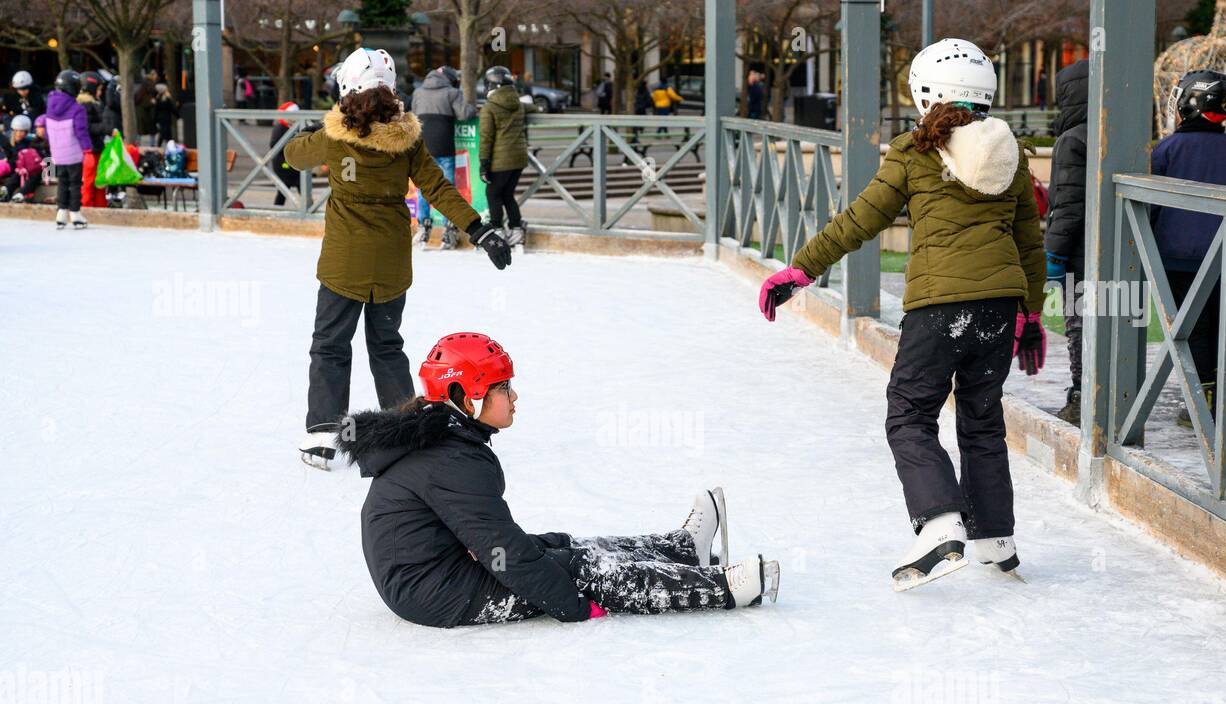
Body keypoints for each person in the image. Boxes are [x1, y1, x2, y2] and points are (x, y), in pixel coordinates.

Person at [758, 38, 1045, 590]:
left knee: (909, 412)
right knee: (982, 420)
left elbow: (860, 220)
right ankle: (994, 537)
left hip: (940, 307)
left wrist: (799, 270)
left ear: (926, 93)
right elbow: (1029, 243)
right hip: (998, 308)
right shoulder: (1010, 151)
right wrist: (1030, 315)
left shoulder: (914, 151)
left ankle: (940, 525)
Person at [335, 332, 780, 627]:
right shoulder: (451, 458)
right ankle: (722, 589)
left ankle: (681, 549)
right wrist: (570, 604)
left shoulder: (440, 432)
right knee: (582, 571)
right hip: (432, 591)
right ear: (465, 396)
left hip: (436, 568)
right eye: (502, 387)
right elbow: (501, 552)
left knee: (559, 547)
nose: (514, 396)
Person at [282, 47, 513, 470]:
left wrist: (328, 123)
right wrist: (479, 230)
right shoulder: (408, 141)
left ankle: (324, 435)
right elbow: (438, 189)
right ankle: (404, 431)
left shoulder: (333, 138)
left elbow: (292, 155)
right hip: (390, 265)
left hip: (343, 265)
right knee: (387, 347)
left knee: (330, 346)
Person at [1150, 70, 1226, 428]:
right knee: (1222, 327)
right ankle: (1220, 399)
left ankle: (1200, 401)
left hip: (1179, 258)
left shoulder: (1167, 149)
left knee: (1192, 330)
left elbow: (1149, 207)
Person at [1043, 58, 1088, 426]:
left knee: (1079, 325)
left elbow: (1068, 204)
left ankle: (1082, 394)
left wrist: (1053, 252)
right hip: (1119, 253)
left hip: (1079, 255)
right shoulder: (1116, 132)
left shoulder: (1072, 140)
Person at [410, 65, 476, 250]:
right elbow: (465, 114)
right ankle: (449, 231)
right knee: (447, 191)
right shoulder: (452, 93)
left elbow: (413, 117)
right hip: (445, 147)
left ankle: (423, 229)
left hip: (423, 148)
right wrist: (471, 105)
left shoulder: (418, 92)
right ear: (450, 79)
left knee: (424, 189)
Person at [479, 65, 528, 250]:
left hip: (501, 160)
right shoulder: (518, 103)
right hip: (519, 158)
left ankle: (497, 229)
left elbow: (486, 138)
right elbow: (532, 107)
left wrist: (484, 164)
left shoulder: (489, 108)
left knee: (492, 193)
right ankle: (517, 229)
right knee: (507, 194)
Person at [44, 70, 94, 229]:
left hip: (57, 154)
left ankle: (61, 213)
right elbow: (81, 132)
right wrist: (88, 150)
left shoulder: (50, 107)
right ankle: (75, 213)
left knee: (62, 183)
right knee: (75, 184)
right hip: (73, 154)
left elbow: (47, 132)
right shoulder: (77, 109)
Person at [78, 72, 110, 210]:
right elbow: (86, 127)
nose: (100, 92)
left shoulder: (95, 104)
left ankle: (100, 208)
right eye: (99, 89)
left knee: (99, 182)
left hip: (97, 148)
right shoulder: (84, 105)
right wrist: (104, 128)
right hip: (89, 150)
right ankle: (87, 208)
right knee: (89, 182)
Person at [0, 114, 47, 202]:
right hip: (18, 169)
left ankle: (21, 194)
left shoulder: (31, 142)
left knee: (33, 176)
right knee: (16, 176)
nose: (19, 134)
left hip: (34, 169)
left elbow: (42, 159)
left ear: (26, 132)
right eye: (16, 131)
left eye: (22, 131)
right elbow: (11, 158)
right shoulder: (10, 142)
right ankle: (5, 191)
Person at [269, 101, 301, 207]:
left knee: (301, 185)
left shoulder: (297, 126)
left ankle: (309, 208)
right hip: (283, 163)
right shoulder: (280, 127)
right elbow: (274, 144)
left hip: (295, 163)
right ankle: (278, 208)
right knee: (284, 189)